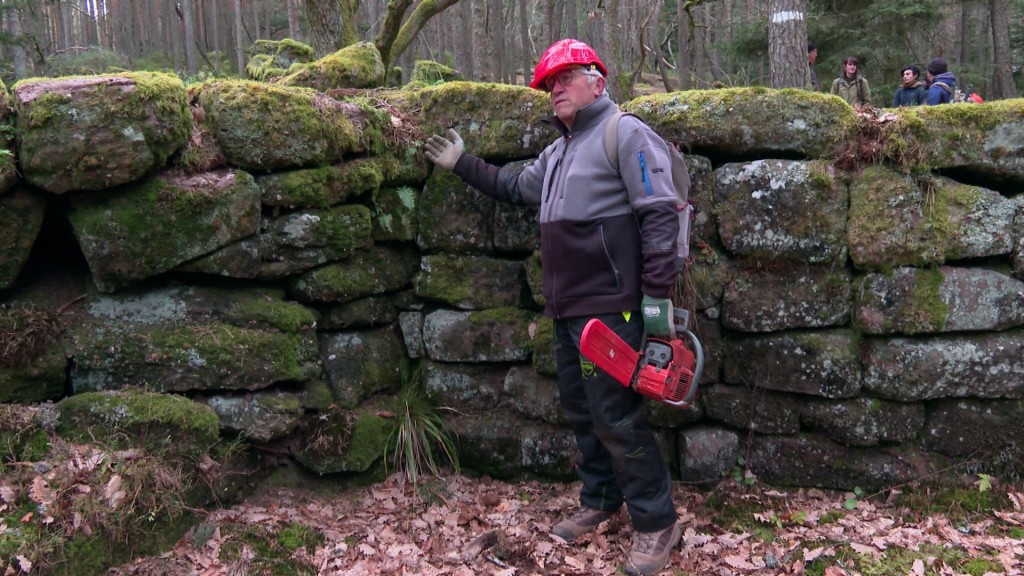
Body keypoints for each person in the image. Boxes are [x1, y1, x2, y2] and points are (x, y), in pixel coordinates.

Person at [423, 38, 682, 576]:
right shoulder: (558, 151)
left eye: (565, 78)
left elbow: (660, 214)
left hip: (614, 310)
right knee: (582, 410)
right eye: (548, 83)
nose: (554, 89)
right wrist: (460, 163)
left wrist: (656, 300)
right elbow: (515, 187)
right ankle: (600, 499)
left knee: (615, 415)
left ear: (597, 81)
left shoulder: (623, 133)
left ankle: (657, 523)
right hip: (567, 311)